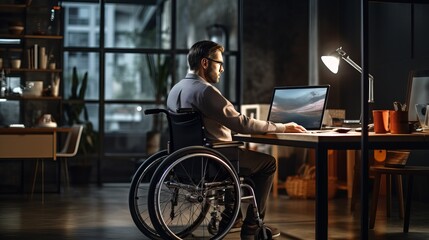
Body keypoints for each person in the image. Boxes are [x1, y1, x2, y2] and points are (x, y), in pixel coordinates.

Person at [167, 40, 307, 239]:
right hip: (215, 159)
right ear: (205, 63)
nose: (222, 69)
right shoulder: (205, 91)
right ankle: (252, 227)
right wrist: (282, 127)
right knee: (267, 164)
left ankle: (232, 217)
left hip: (188, 161)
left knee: (247, 163)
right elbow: (241, 123)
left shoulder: (176, 89)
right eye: (219, 63)